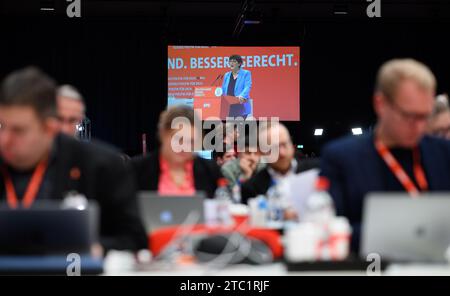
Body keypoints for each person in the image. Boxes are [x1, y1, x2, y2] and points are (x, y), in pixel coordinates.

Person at [0, 66, 147, 252]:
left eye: (18, 130)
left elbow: (135, 239)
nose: (5, 140)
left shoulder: (101, 166)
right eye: (2, 127)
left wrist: (93, 249)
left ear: (50, 128)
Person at [320, 59, 450, 252]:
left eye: (425, 116)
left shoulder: (442, 152)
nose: (419, 127)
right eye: (409, 116)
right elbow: (330, 230)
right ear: (380, 104)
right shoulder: (342, 157)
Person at [132, 106, 223, 198]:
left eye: (191, 142)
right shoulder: (138, 169)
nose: (184, 147)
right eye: (179, 139)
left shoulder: (210, 170)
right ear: (163, 134)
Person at [241, 122, 319, 204]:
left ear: (291, 144)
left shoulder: (316, 170)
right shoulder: (251, 188)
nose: (282, 153)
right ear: (262, 152)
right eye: (273, 148)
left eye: (284, 144)